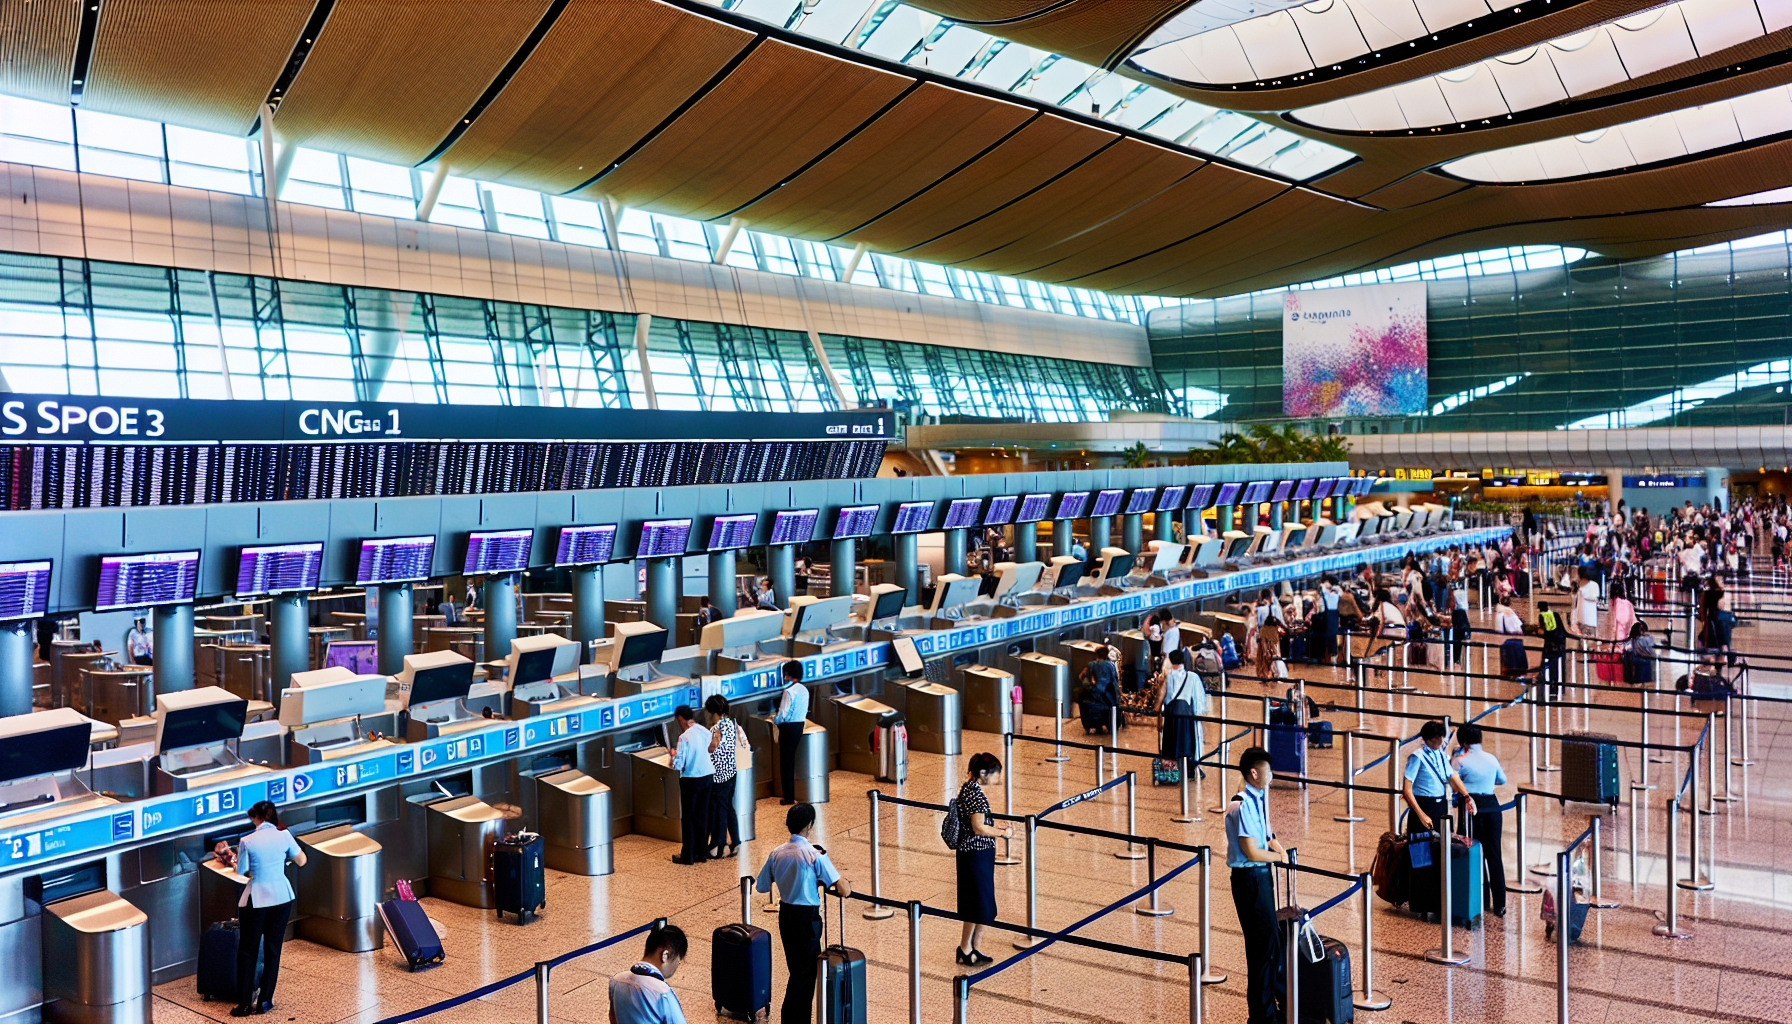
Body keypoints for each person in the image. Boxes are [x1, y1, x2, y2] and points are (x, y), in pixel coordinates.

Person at [755, 803, 851, 1024]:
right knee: (805, 976)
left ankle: (795, 1019)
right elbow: (843, 889)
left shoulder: (776, 853)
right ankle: (795, 1020)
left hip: (786, 916)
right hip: (807, 919)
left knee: (797, 971)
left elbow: (761, 886)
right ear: (809, 825)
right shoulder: (812, 854)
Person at [1226, 747, 1288, 1024]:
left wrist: (1272, 840)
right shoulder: (1241, 804)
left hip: (1260, 877)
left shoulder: (1257, 797)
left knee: (1269, 944)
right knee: (1262, 949)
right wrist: (1279, 857)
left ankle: (1272, 1008)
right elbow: (1251, 851)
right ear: (1254, 772)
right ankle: (1262, 1016)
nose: (1272, 776)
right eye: (1269, 770)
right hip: (1249, 879)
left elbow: (1262, 835)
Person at [231, 801, 308, 1017]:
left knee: (248, 951)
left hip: (258, 900)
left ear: (256, 818)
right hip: (283, 897)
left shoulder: (247, 841)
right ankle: (265, 1001)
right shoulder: (284, 835)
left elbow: (243, 871)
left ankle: (245, 1004)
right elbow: (301, 860)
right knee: (273, 950)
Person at [951, 752, 1010, 966]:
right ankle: (967, 948)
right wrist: (1002, 832)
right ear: (983, 773)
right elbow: (978, 827)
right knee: (979, 903)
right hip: (976, 855)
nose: (997, 779)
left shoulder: (967, 789)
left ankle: (972, 948)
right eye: (995, 775)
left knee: (977, 903)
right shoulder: (974, 793)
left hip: (975, 855)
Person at [1451, 725, 1509, 917]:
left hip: (1470, 806)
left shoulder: (1460, 760)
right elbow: (1502, 780)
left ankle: (1481, 899)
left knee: (1472, 852)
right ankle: (1500, 904)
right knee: (1494, 855)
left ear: (1463, 742)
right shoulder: (1491, 758)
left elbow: (1450, 778)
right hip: (1492, 806)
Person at [1403, 720, 1474, 833]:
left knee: (1443, 841)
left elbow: (1452, 776)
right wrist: (1421, 815)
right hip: (1424, 803)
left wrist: (1467, 796)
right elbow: (1407, 789)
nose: (1440, 740)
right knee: (1422, 844)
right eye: (1436, 738)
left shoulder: (1441, 755)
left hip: (1441, 804)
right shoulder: (1417, 757)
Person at [608, 924, 688, 1024]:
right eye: (678, 961)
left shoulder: (616, 980)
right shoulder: (662, 992)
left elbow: (612, 1017)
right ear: (665, 956)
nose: (676, 967)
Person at [669, 705, 714, 865]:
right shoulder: (704, 731)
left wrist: (673, 759)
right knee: (702, 815)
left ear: (680, 719)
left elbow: (679, 764)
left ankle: (687, 856)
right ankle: (701, 853)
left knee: (688, 817)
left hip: (691, 779)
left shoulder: (685, 737)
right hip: (708, 776)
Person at [705, 694, 748, 858]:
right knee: (728, 807)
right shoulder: (731, 723)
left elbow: (711, 750)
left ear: (711, 711)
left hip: (718, 775)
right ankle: (736, 842)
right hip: (731, 772)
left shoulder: (715, 729)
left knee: (719, 811)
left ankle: (718, 846)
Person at [1155, 648, 1206, 773]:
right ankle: (1189, 768)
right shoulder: (1192, 677)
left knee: (1170, 742)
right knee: (1187, 742)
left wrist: (1156, 710)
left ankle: (1171, 770)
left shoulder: (1168, 677)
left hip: (1171, 715)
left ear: (1171, 661)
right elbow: (1199, 699)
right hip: (1186, 716)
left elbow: (1161, 696)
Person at [773, 661, 809, 805]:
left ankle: (788, 797)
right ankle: (790, 794)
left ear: (788, 674)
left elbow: (783, 713)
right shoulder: (804, 690)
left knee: (785, 762)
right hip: (799, 725)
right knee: (791, 760)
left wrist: (775, 720)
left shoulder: (789, 692)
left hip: (787, 728)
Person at [1076, 646, 1121, 734]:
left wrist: (1089, 685)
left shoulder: (1092, 664)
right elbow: (1114, 680)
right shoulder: (1110, 665)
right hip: (1108, 693)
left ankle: (1096, 725)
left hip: (1095, 693)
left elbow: (1081, 676)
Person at [1535, 600, 1568, 701]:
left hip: (1550, 645)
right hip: (1560, 643)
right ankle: (1559, 688)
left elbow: (1544, 631)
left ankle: (1549, 688)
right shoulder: (1555, 614)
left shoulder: (1542, 616)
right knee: (1558, 667)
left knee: (1548, 666)